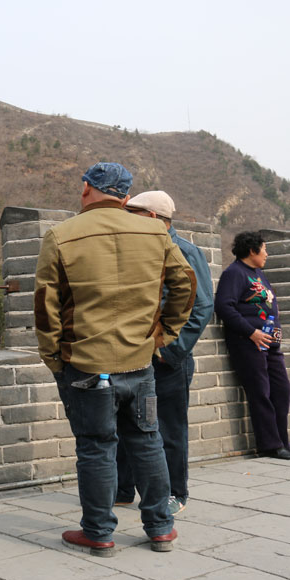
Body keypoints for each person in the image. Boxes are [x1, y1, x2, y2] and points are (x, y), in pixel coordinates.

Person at [34, 162, 195, 557]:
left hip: (86, 363)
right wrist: (162, 336)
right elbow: (185, 285)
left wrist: (54, 356)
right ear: (125, 196)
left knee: (95, 446)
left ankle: (99, 532)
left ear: (86, 188)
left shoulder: (61, 236)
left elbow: (45, 306)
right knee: (147, 441)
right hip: (140, 362)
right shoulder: (156, 231)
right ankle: (160, 528)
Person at [116, 191, 214, 515]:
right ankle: (122, 488)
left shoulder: (185, 251)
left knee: (169, 429)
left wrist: (168, 351)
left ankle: (176, 493)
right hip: (134, 355)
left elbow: (201, 307)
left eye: (134, 213)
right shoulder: (137, 252)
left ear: (154, 218)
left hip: (168, 359)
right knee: (127, 423)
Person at [214, 231, 290, 459]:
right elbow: (224, 307)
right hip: (248, 344)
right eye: (264, 249)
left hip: (270, 344)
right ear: (252, 250)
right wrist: (251, 332)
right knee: (261, 392)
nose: (267, 254)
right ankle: (269, 445)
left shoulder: (258, 274)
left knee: (282, 390)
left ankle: (282, 441)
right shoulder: (234, 274)